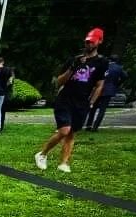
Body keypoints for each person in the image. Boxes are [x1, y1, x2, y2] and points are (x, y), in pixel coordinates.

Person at [34, 28, 108, 173]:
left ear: (99, 42)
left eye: (92, 42)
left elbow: (99, 85)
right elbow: (58, 82)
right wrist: (72, 68)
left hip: (82, 102)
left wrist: (91, 102)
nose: (89, 44)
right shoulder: (74, 60)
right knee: (64, 130)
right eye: (87, 41)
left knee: (72, 132)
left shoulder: (102, 62)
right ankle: (42, 154)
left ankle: (64, 163)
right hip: (65, 99)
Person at [84, 54, 127, 131]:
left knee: (93, 107)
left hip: (98, 88)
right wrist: (117, 83)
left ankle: (88, 125)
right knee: (102, 109)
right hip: (109, 89)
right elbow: (125, 76)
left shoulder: (103, 65)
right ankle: (95, 126)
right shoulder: (118, 68)